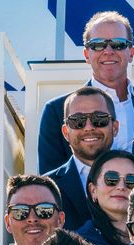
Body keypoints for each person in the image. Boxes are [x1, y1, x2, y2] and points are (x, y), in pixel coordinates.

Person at [37, 12, 134, 187]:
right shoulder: (55, 111)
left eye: (118, 44)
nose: (108, 51)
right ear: (86, 54)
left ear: (131, 53)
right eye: (97, 45)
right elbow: (52, 185)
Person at [46, 87, 117, 233]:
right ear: (65, 132)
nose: (89, 127)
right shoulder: (45, 189)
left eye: (99, 119)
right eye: (78, 121)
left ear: (115, 128)